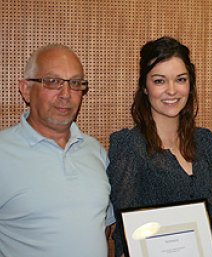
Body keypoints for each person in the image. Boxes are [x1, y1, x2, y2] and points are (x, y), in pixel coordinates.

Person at [107, 36, 212, 257]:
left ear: (190, 84)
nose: (172, 90)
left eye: (180, 79)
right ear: (145, 87)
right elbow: (126, 234)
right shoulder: (130, 147)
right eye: (159, 81)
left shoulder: (206, 144)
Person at [0, 44, 115, 257]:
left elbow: (104, 228)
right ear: (25, 89)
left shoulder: (96, 152)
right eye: (52, 82)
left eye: (75, 84)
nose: (65, 94)